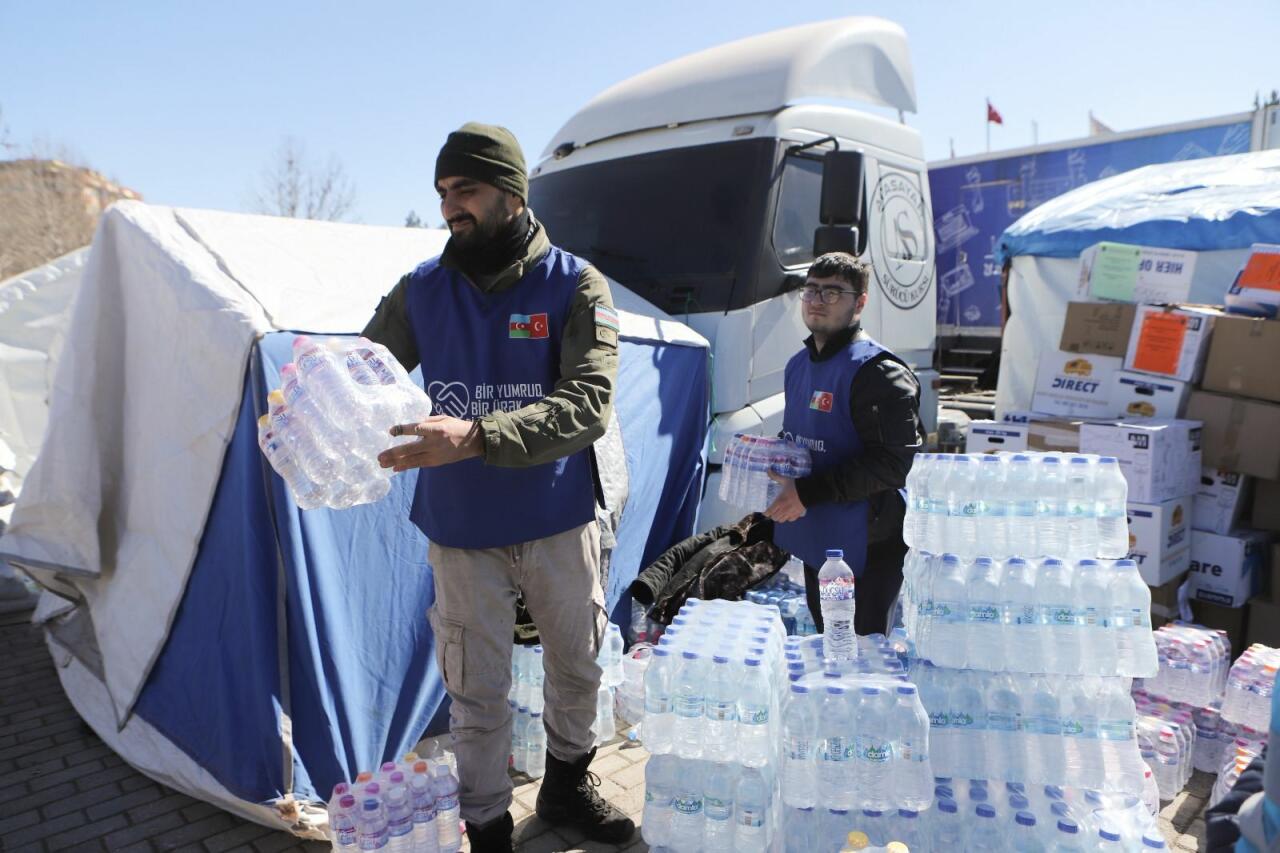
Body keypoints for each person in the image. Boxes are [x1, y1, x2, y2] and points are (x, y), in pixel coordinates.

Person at [365, 123, 633, 853]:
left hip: (555, 514)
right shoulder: (421, 290)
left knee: (576, 662)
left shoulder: (576, 284)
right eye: (444, 193)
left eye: (468, 190)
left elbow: (588, 404)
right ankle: (486, 827)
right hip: (460, 526)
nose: (453, 206)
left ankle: (568, 786)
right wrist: (313, 404)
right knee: (475, 691)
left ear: (512, 194)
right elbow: (366, 373)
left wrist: (477, 435)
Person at [764, 252, 925, 637]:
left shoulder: (880, 373)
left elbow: (893, 463)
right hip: (818, 532)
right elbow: (804, 439)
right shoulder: (797, 365)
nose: (818, 300)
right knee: (828, 644)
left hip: (866, 543)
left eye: (833, 292)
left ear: (861, 302)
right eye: (812, 290)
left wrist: (806, 492)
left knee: (861, 653)